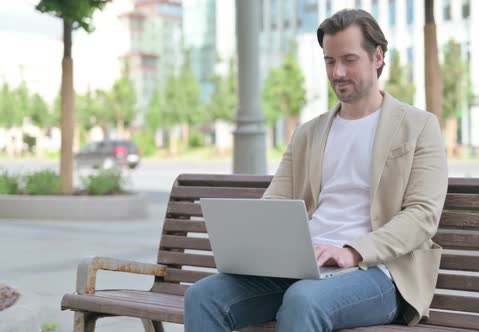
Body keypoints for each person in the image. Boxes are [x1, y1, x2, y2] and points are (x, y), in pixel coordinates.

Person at [184, 8, 447, 332]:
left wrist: (353, 251)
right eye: (329, 61)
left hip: (380, 272)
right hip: (307, 266)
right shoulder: (309, 133)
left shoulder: (419, 126)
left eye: (348, 60)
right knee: (203, 295)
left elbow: (423, 215)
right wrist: (254, 245)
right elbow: (276, 200)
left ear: (377, 57)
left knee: (304, 299)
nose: (337, 72)